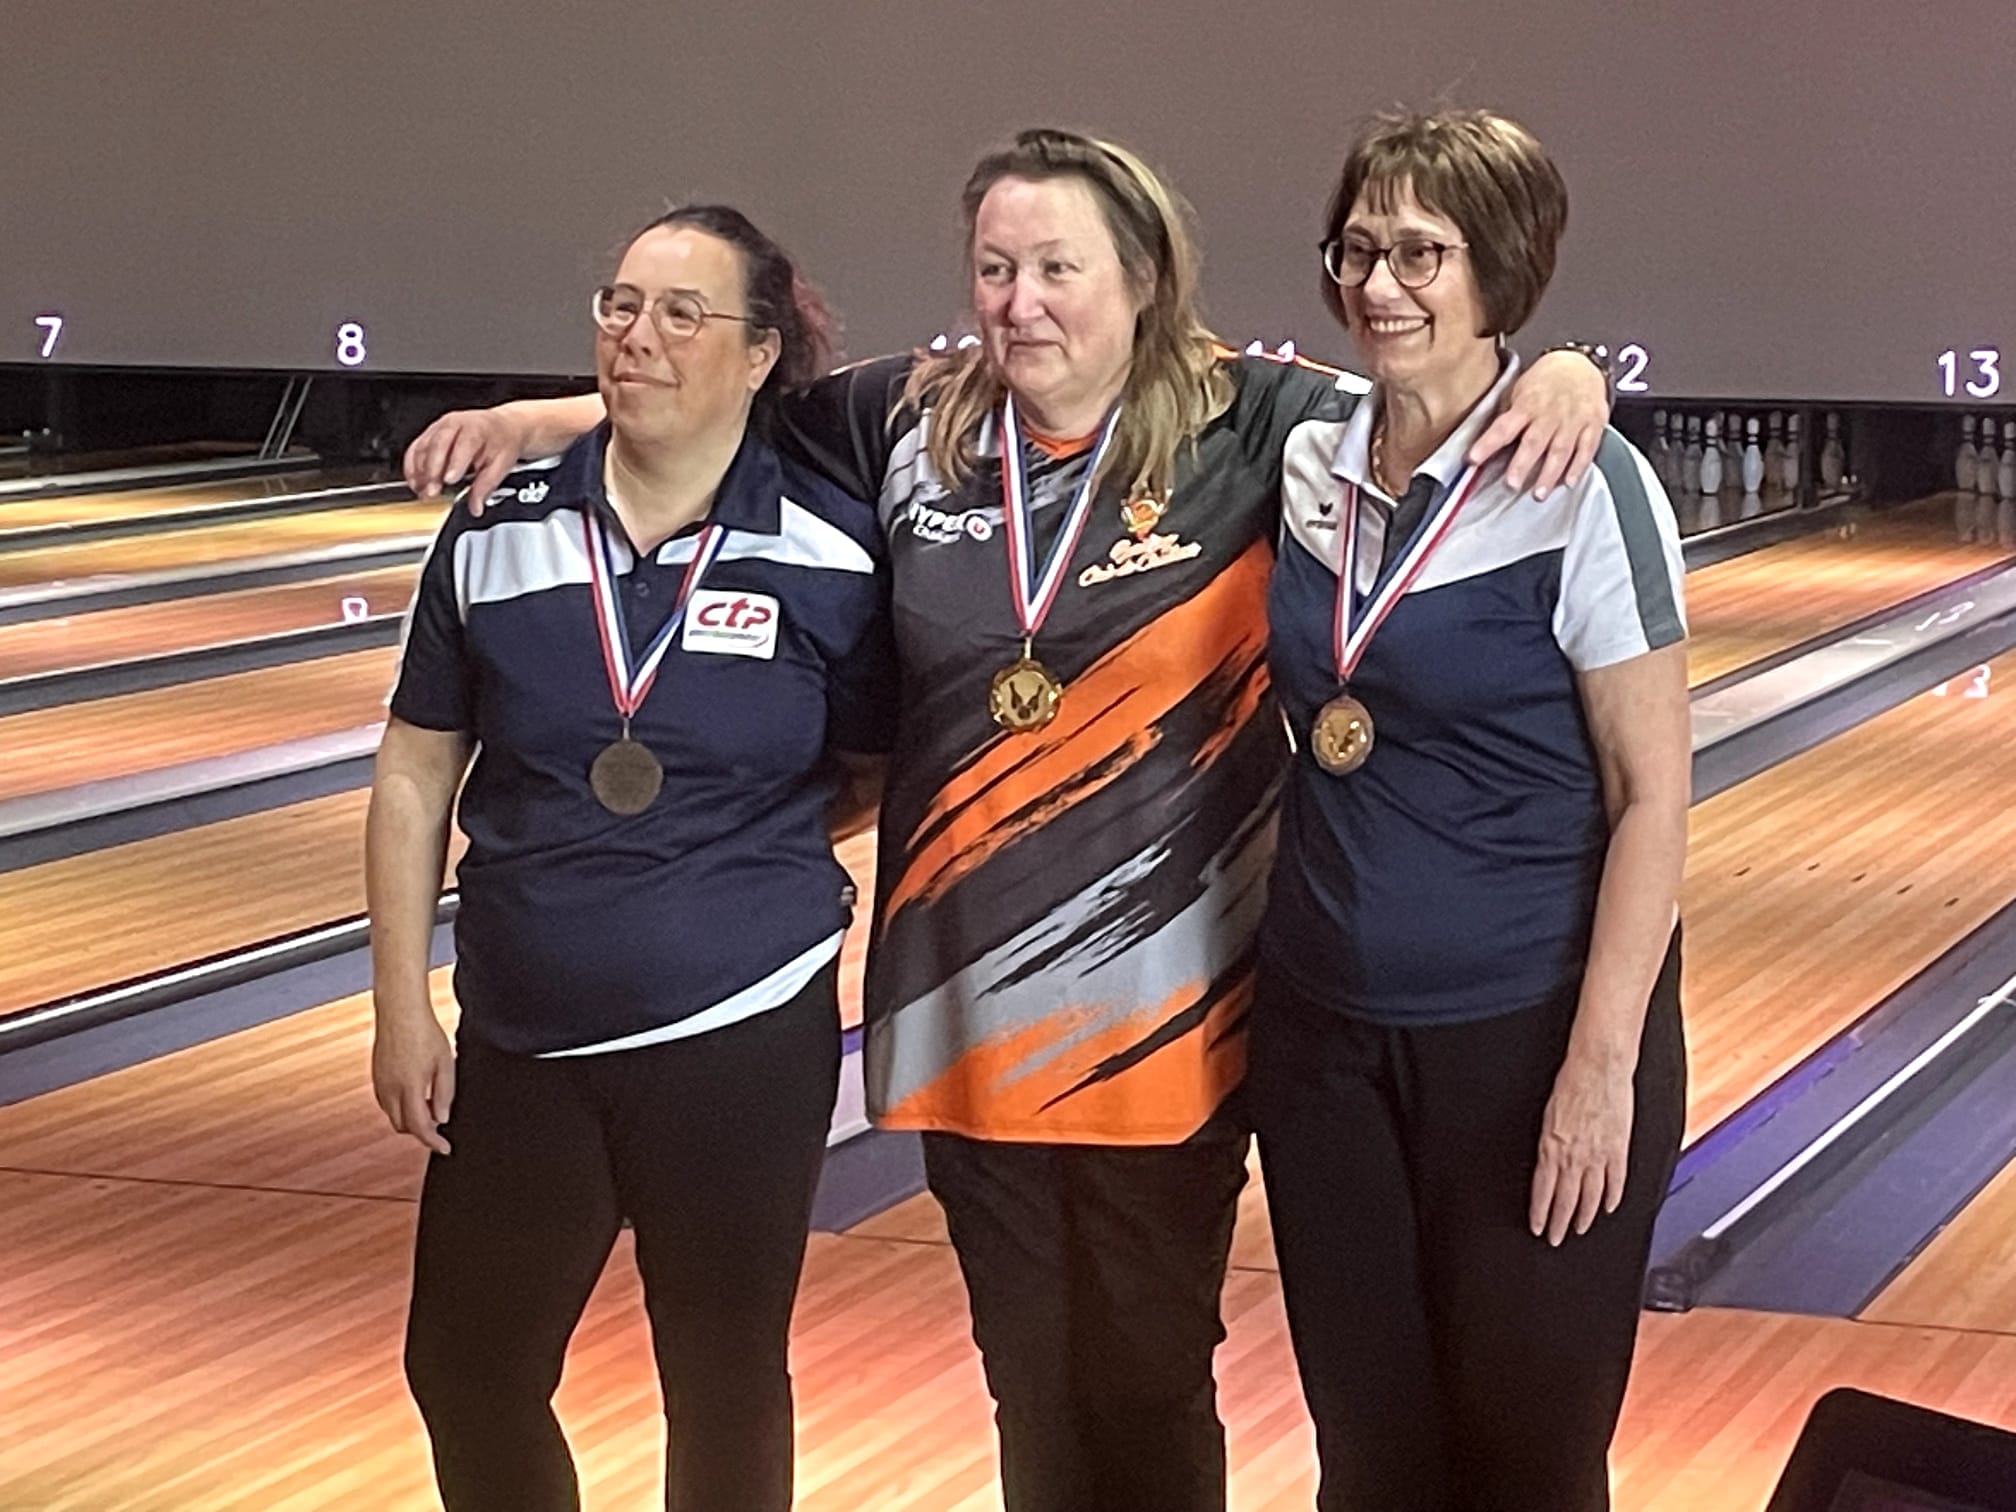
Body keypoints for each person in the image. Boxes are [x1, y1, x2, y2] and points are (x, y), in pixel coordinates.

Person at [402, 128, 1613, 1512]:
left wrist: (1565, 369)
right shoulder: (916, 418)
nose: (1017, 301)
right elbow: (712, 394)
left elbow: (1430, 391)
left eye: (1055, 269)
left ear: (1143, 276)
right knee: (1028, 1384)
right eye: (994, 269)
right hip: (968, 1009)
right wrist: (535, 421)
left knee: (1148, 1381)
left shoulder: (1255, 420)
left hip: (1167, 1014)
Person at [366, 204, 892, 1512]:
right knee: (467, 1367)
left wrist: (727, 848)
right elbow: (416, 768)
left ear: (760, 353)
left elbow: (872, 763)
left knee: (722, 1382)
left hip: (743, 1032)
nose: (637, 337)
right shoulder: (498, 527)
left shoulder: (829, 549)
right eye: (619, 306)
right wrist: (398, 1006)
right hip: (520, 1037)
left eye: (679, 313)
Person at [1250, 109, 1690, 1512]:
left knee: (1528, 1467)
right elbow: (1104, 363)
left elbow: (1651, 796)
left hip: (1526, 1043)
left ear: (1497, 266)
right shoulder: (1303, 458)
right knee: (1368, 1462)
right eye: (1357, 249)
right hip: (1323, 1042)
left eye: (1421, 253)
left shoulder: (1585, 486)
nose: (1378, 284)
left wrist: (1600, 1071)